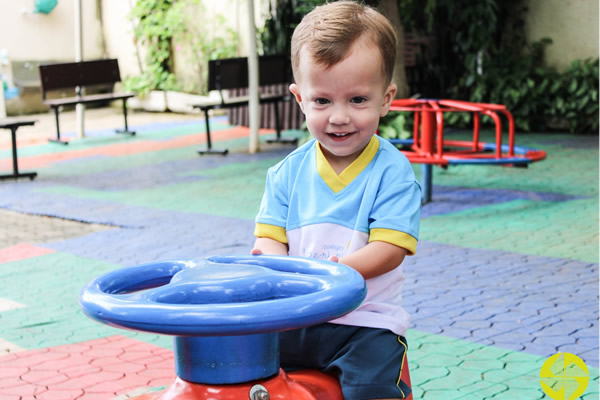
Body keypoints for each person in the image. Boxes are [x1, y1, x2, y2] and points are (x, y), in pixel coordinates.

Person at [252, 1, 421, 399]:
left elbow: (390, 248)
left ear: (386, 98)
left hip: (365, 323)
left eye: (358, 100)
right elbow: (268, 241)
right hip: (295, 318)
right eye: (322, 101)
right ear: (300, 99)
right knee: (245, 370)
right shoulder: (286, 174)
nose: (339, 116)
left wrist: (336, 272)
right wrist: (282, 270)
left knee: (371, 387)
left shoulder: (391, 172)